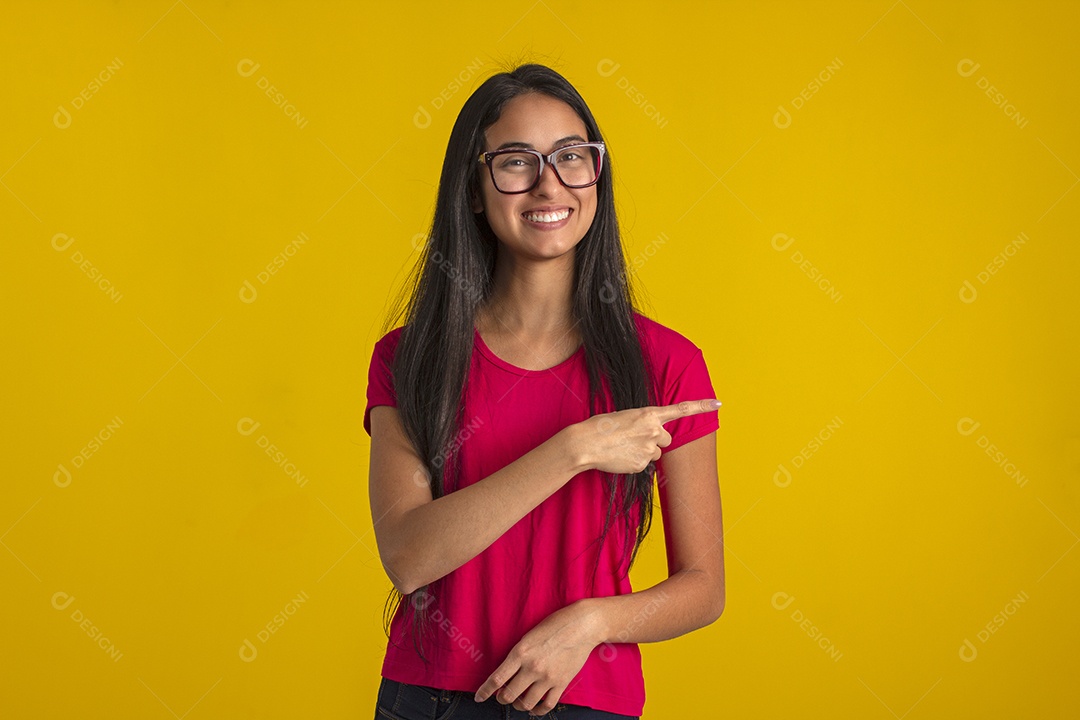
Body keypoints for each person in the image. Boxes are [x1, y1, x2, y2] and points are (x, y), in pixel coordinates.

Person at [363, 62, 725, 720]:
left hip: (584, 698)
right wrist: (575, 449)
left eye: (570, 157)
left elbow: (703, 589)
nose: (548, 183)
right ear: (475, 188)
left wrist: (588, 624)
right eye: (515, 162)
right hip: (430, 699)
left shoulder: (666, 363)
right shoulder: (409, 358)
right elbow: (410, 556)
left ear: (597, 174)